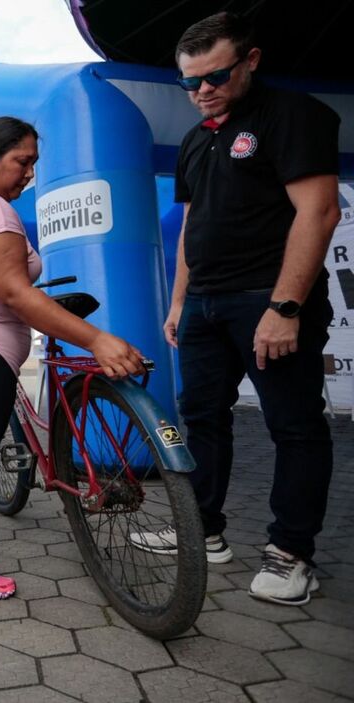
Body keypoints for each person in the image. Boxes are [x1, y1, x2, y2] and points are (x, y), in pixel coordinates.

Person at [130, 12, 340, 606]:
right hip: (203, 306)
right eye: (190, 82)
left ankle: (292, 552)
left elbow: (319, 212)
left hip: (266, 300)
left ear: (250, 60)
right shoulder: (198, 139)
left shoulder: (293, 115)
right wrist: (178, 303)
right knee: (203, 419)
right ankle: (204, 531)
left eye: (215, 76)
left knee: (293, 426)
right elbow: (194, 226)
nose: (202, 91)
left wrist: (286, 305)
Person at [0, 116, 144, 600]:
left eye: (34, 163)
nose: (30, 173)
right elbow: (14, 292)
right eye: (22, 161)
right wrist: (96, 339)